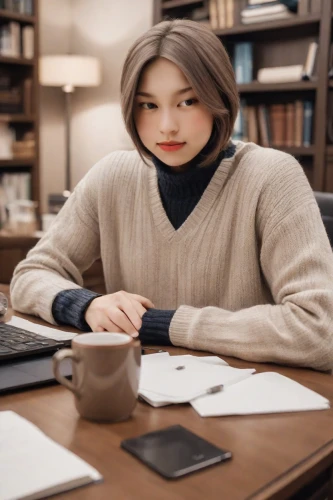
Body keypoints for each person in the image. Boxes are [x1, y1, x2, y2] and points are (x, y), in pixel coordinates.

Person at [10, 20, 333, 371]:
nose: (166, 126)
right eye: (148, 105)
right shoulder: (112, 175)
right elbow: (30, 275)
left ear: (219, 99)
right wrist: (85, 305)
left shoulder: (272, 176)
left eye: (187, 101)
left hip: (248, 406)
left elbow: (320, 330)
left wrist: (164, 325)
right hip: (140, 393)